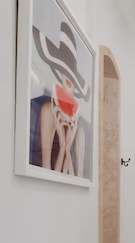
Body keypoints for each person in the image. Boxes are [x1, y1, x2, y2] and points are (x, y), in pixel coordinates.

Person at [30, 21, 90, 177]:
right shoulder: (47, 110)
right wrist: (63, 146)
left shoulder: (80, 130)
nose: (67, 76)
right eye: (64, 70)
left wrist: (66, 145)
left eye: (70, 72)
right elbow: (47, 172)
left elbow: (73, 176)